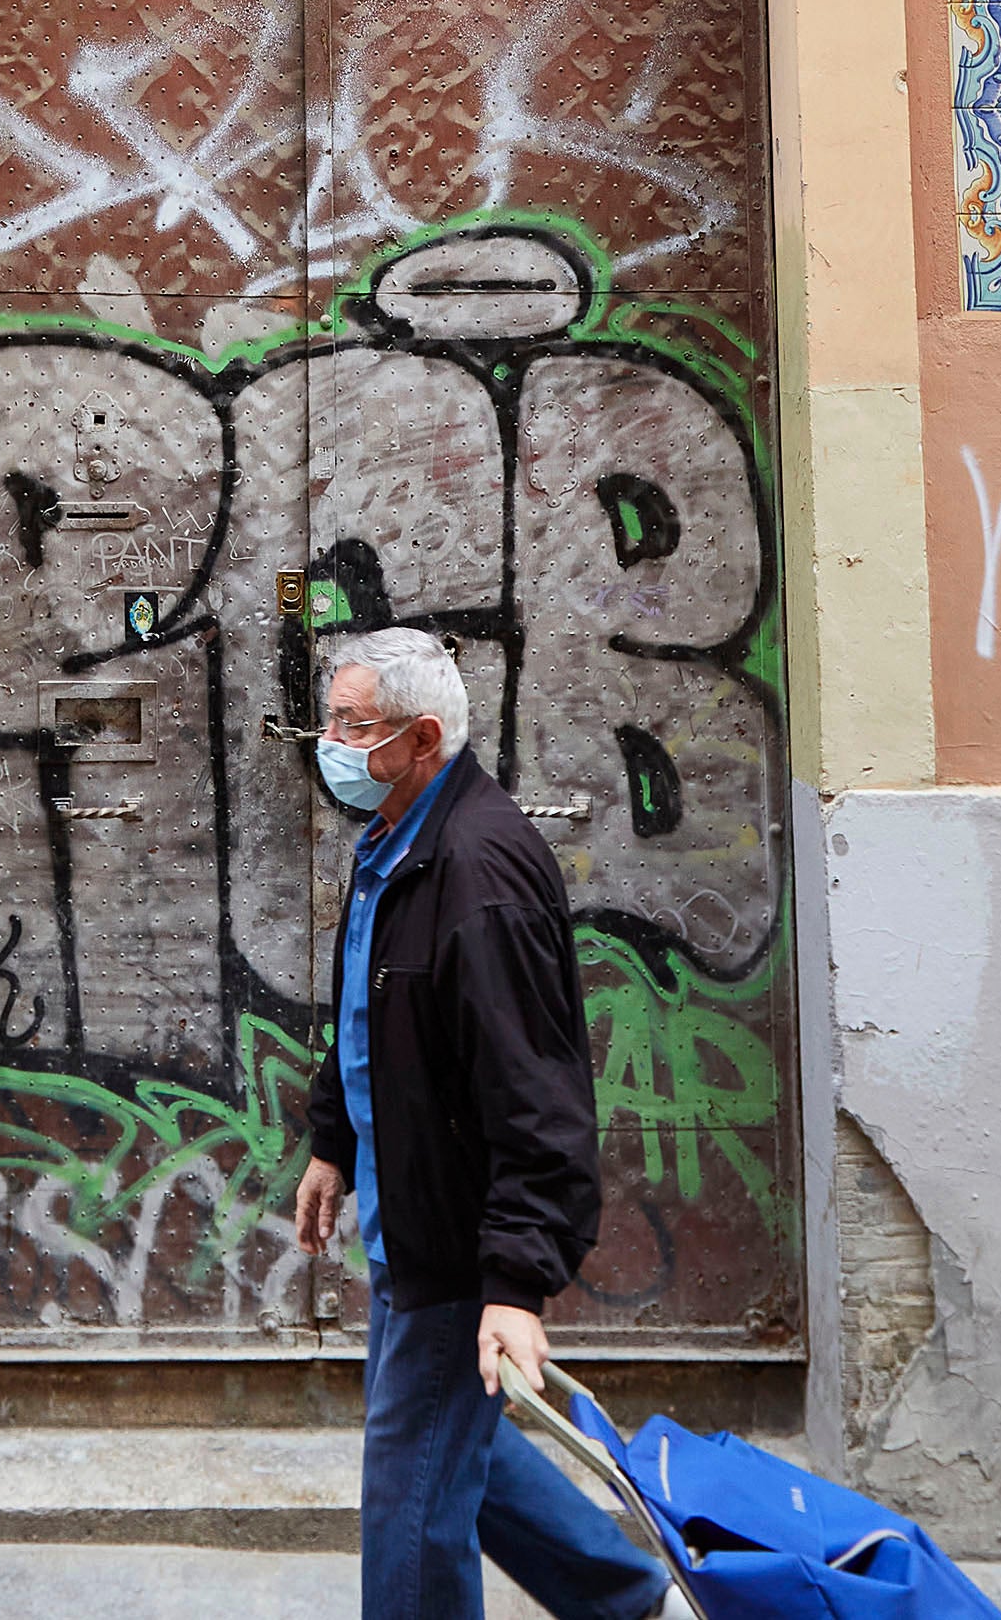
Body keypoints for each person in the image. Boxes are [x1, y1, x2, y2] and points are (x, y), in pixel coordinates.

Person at [294, 626, 674, 1620]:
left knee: (409, 1493)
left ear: (421, 737)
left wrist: (513, 1282)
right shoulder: (394, 838)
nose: (325, 740)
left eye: (349, 724)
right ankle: (622, 1595)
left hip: (454, 1241)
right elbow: (369, 1011)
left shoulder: (479, 872)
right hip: (405, 1210)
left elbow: (537, 1094)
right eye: (327, 716)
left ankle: (621, 1595)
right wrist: (334, 1138)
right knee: (458, 1434)